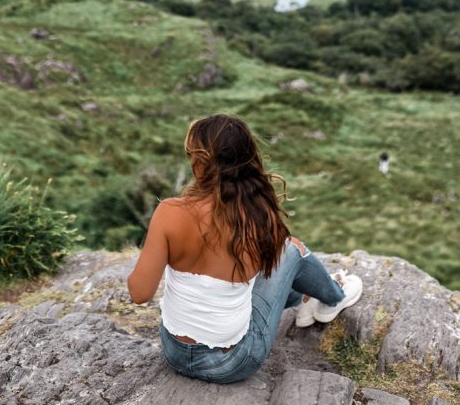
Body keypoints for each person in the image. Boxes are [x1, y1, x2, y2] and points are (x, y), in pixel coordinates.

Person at [127, 113, 363, 384]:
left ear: (200, 161)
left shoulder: (169, 212)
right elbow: (265, 268)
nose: (189, 160)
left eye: (190, 153)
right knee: (292, 250)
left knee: (273, 260)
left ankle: (310, 299)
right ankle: (331, 297)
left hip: (174, 354)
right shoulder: (257, 216)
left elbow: (139, 293)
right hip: (234, 363)